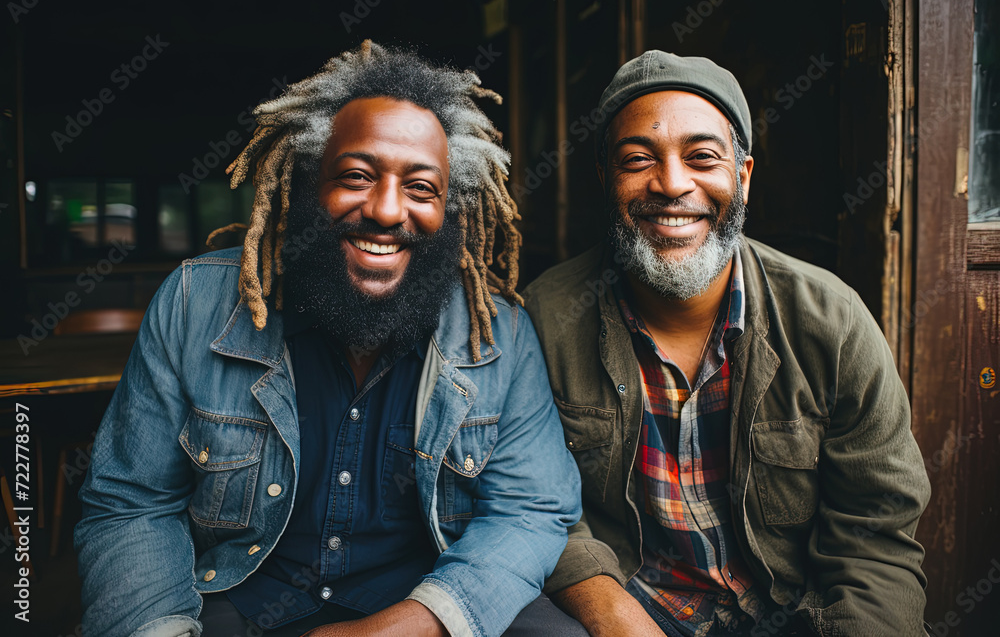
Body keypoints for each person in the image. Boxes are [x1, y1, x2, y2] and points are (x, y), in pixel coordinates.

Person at [75, 41, 584, 637]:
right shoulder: (194, 305)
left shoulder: (497, 334)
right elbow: (131, 503)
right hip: (239, 597)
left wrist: (414, 623)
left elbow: (530, 509)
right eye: (357, 177)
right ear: (307, 183)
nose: (388, 211)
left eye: (421, 189)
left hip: (425, 600)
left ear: (452, 209)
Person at [523, 50, 932, 637]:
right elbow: (532, 508)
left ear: (741, 176)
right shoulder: (545, 318)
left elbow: (875, 538)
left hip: (794, 616)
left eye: (702, 158)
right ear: (606, 180)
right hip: (634, 607)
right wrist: (612, 613)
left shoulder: (831, 321)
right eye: (638, 160)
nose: (670, 184)